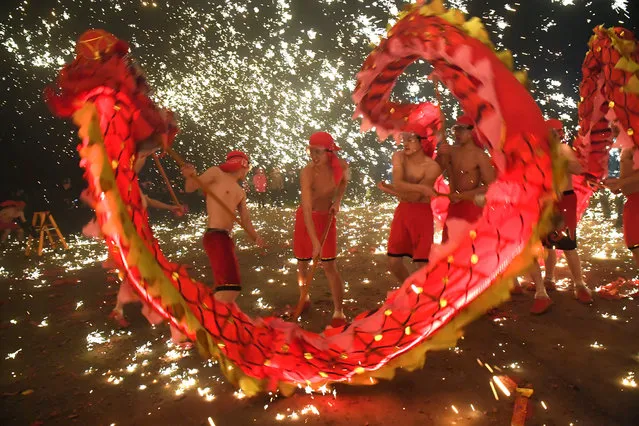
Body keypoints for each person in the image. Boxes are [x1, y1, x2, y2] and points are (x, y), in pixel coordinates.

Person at [181, 150, 265, 304]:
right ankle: (205, 317)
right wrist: (190, 175)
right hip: (215, 236)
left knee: (229, 287)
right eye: (248, 168)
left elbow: (245, 219)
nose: (247, 172)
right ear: (242, 165)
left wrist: (255, 237)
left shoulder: (240, 192)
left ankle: (216, 318)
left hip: (226, 238)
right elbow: (191, 187)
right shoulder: (216, 173)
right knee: (229, 287)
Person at [529, 119, 593, 314]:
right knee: (545, 244)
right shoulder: (538, 152)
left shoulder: (563, 149)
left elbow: (578, 169)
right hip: (543, 202)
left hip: (564, 200)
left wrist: (557, 155)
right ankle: (546, 283)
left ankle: (579, 284)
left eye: (555, 133)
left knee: (567, 244)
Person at [294, 132, 349, 328]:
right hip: (306, 219)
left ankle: (339, 311)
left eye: (318, 152)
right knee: (303, 264)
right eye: (311, 152)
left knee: (329, 266)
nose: (314, 157)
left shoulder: (341, 166)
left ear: (330, 152)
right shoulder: (308, 172)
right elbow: (307, 208)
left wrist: (338, 201)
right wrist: (315, 241)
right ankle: (304, 296)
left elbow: (343, 182)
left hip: (326, 218)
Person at [385, 103, 442, 284]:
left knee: (421, 264)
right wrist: (419, 188)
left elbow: (413, 197)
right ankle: (410, 289)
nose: (405, 142)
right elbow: (399, 183)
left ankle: (425, 297)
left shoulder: (432, 167)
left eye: (410, 138)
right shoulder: (398, 156)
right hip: (403, 212)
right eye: (404, 137)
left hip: (421, 214)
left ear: (422, 142)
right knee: (394, 262)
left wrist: (391, 190)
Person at [439, 115, 496, 242]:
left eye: (461, 130)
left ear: (472, 132)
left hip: (472, 207)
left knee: (470, 249)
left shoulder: (479, 156)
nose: (457, 133)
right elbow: (435, 172)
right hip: (454, 207)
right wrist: (440, 154)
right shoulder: (451, 152)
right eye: (456, 130)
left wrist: (463, 195)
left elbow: (491, 186)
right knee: (448, 247)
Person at [605, 145, 639, 266]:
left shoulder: (635, 140)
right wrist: (618, 185)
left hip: (636, 202)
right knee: (634, 245)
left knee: (636, 246)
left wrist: (621, 182)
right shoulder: (627, 143)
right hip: (632, 201)